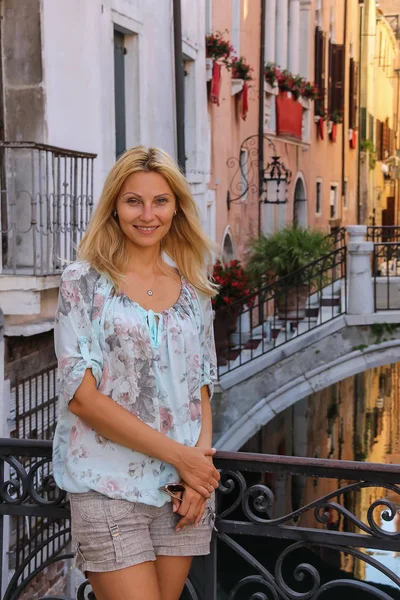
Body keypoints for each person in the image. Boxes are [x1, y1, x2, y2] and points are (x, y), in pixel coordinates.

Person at [52, 146, 220, 600]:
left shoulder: (194, 287)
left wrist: (198, 472)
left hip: (181, 492)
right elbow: (82, 399)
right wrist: (183, 458)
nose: (147, 214)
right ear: (114, 207)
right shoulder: (82, 283)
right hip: (107, 487)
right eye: (133, 201)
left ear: (177, 208)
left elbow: (201, 384)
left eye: (160, 201)